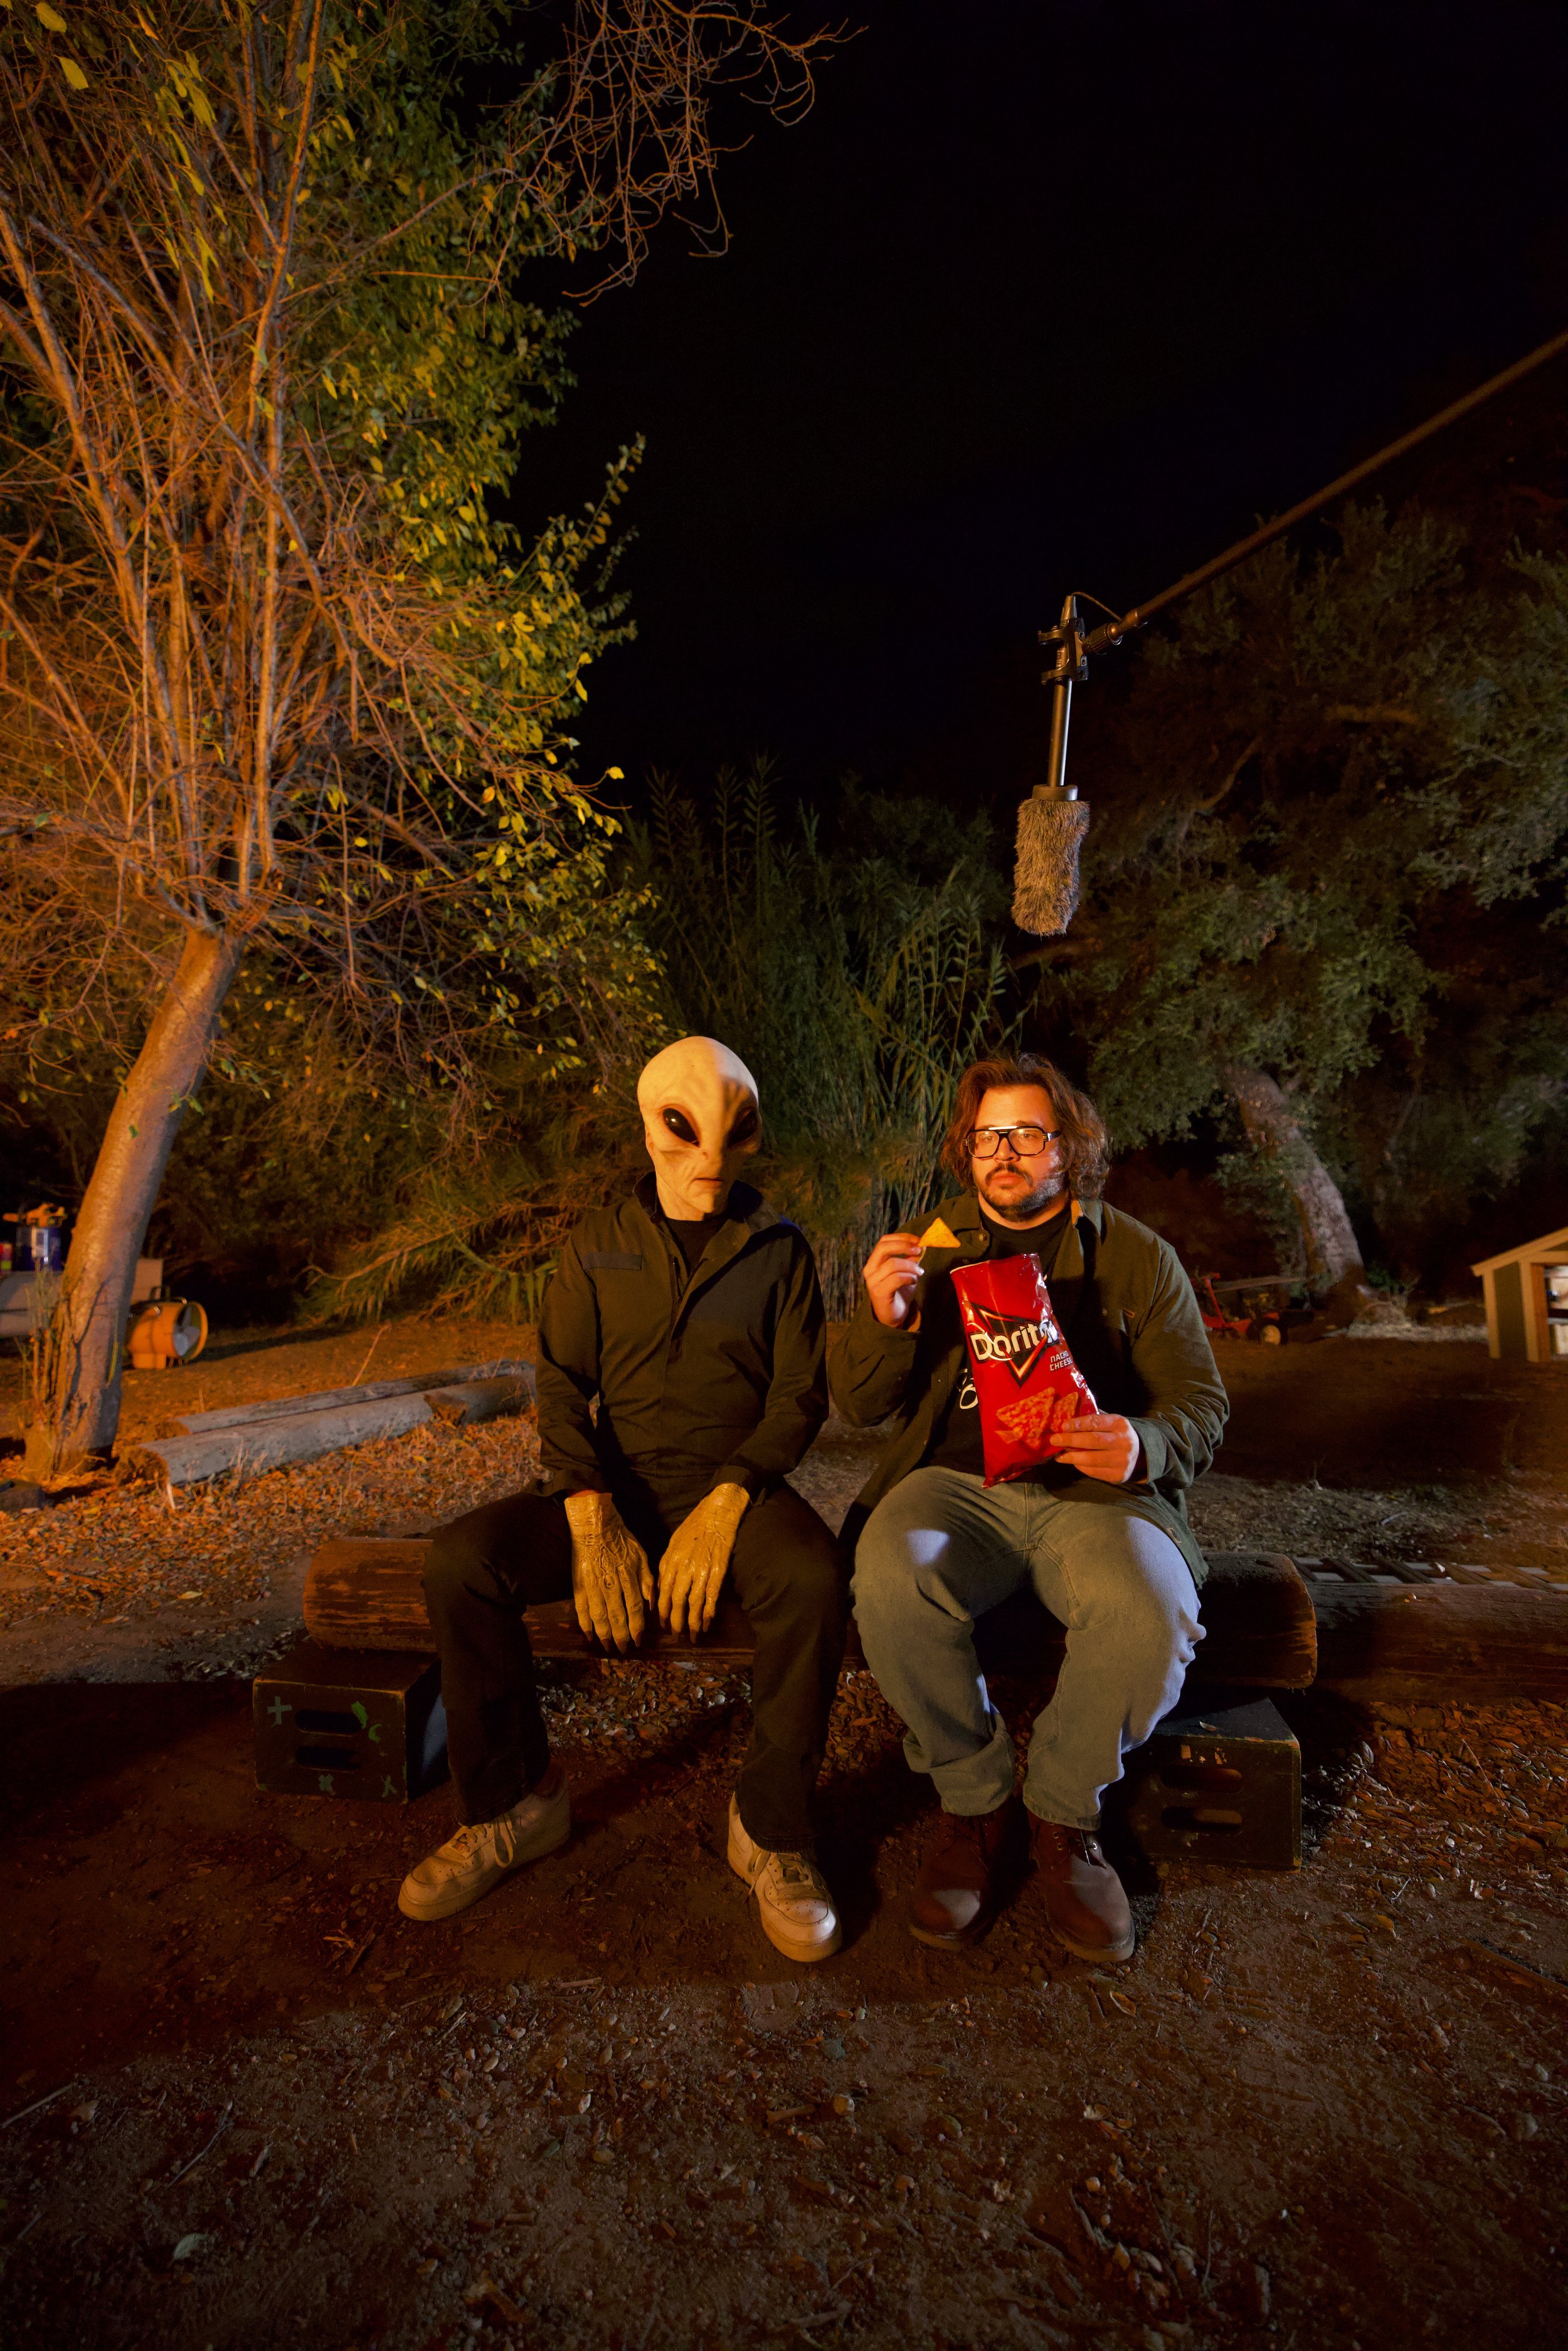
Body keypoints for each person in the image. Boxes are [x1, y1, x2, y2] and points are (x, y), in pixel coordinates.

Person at [397, 1037, 847, 1963]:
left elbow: (799, 1397)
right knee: (461, 1562)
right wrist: (588, 1509)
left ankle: (772, 1830)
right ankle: (514, 1807)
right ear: (649, 1131)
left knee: (812, 1580)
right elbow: (561, 1383)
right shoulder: (596, 1243)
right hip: (614, 1484)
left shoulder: (780, 1249)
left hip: (733, 1487)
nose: (710, 1166)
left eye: (735, 1136)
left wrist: (727, 1502)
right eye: (686, 1136)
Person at [830, 1053, 1227, 1963]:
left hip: (1090, 1496)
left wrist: (1140, 1444)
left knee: (1151, 1607)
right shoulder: (934, 1245)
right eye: (986, 1137)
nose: (1003, 1152)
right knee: (891, 1572)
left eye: (1026, 1135)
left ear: (1068, 1149)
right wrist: (882, 1323)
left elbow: (1201, 1407)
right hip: (956, 1489)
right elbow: (859, 1405)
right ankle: (973, 1805)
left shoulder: (1133, 1253)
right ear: (967, 1152)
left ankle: (1062, 1815)